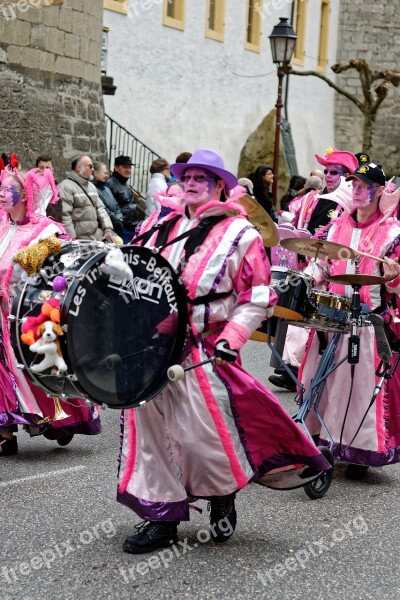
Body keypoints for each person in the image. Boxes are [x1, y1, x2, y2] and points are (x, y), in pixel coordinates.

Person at [117, 148, 330, 554]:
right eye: (187, 176)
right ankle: (161, 517)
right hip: (152, 348)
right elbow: (134, 271)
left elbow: (257, 297)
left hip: (205, 346)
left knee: (201, 436)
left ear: (220, 185)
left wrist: (233, 338)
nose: (192, 182)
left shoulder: (242, 234)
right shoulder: (160, 224)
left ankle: (221, 493)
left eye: (202, 177)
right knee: (152, 435)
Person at [300, 161, 400, 479]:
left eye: (364, 186)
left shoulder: (393, 233)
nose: (357, 191)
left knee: (356, 386)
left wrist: (393, 278)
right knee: (321, 379)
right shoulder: (336, 226)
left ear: (380, 191)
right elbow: (323, 265)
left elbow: (394, 283)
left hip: (368, 320)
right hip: (332, 314)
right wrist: (308, 278)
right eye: (354, 185)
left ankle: (358, 452)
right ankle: (316, 440)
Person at [0, 155, 101, 456]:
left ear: (26, 195)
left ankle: (62, 419)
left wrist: (30, 263)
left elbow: (57, 274)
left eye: (8, 190)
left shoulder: (46, 231)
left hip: (25, 316)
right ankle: (5, 432)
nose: (2, 194)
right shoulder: (2, 226)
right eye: (1, 189)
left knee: (40, 372)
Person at [269, 148, 359, 391]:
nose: (328, 176)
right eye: (327, 171)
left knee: (309, 323)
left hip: (334, 267)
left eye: (334, 172)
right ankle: (291, 368)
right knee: (298, 319)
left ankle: (296, 370)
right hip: (311, 262)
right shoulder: (315, 198)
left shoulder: (349, 203)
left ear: (346, 176)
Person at [58, 154, 114, 241]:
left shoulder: (91, 186)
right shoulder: (65, 187)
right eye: (90, 166)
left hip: (95, 238)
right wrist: (72, 240)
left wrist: (108, 229)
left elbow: (100, 209)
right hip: (79, 241)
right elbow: (65, 216)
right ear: (79, 167)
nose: (93, 169)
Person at [105, 155, 139, 243]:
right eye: (124, 167)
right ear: (116, 168)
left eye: (129, 167)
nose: (128, 170)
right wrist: (118, 223)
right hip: (121, 228)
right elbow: (107, 207)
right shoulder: (110, 183)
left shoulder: (125, 184)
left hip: (131, 227)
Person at [93, 161, 124, 236]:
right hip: (105, 227)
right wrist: (115, 219)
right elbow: (103, 208)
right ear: (95, 173)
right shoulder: (93, 189)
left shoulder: (106, 188)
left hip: (116, 224)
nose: (107, 175)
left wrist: (119, 218)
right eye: (105, 173)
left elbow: (116, 205)